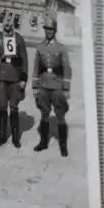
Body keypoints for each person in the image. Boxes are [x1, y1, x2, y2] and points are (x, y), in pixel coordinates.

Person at [32, 15, 72, 157]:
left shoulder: (61, 48)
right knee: (44, 113)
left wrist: (66, 88)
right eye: (46, 29)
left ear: (55, 31)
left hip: (57, 85)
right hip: (43, 84)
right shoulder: (40, 46)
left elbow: (67, 68)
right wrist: (35, 86)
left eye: (51, 29)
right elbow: (36, 67)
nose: (48, 31)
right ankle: (43, 142)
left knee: (60, 115)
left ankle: (63, 145)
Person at [0, 12, 28, 148]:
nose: (7, 23)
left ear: (13, 23)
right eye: (5, 21)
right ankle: (2, 136)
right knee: (2, 106)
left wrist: (24, 77)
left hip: (16, 77)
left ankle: (16, 138)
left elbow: (24, 59)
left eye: (10, 21)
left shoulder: (19, 39)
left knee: (14, 107)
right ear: (2, 22)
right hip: (1, 78)